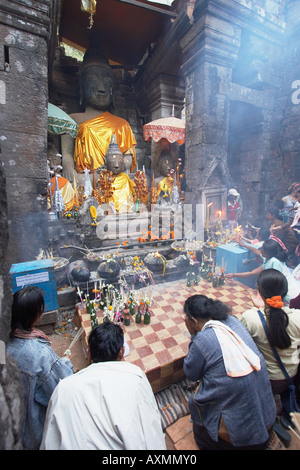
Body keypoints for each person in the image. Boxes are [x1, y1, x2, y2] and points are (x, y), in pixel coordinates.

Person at [40, 322, 166, 450]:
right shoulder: (136, 377)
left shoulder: (63, 389)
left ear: (88, 353)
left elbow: (48, 441)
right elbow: (152, 433)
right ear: (122, 352)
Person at [183, 294, 276, 450]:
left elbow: (191, 373)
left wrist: (193, 335)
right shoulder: (233, 321)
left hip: (243, 440)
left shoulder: (203, 338)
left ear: (193, 321)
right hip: (268, 418)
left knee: (199, 424)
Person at [61, 35, 136, 185]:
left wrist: (117, 165)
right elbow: (67, 155)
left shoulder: (122, 124)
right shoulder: (72, 119)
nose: (101, 88)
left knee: (134, 180)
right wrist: (68, 166)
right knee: (72, 182)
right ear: (82, 86)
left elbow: (128, 157)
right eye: (93, 80)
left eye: (107, 82)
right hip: (86, 177)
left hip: (114, 176)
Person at [6, 286, 74, 450]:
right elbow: (60, 387)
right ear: (36, 314)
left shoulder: (5, 343)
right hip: (33, 430)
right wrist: (65, 362)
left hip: (11, 420)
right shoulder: (40, 353)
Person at [241, 269, 300, 415]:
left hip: (268, 380)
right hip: (292, 375)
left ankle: (269, 404)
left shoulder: (251, 317)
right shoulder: (298, 316)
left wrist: (257, 308)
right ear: (285, 292)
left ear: (258, 290)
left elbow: (241, 345)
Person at [226, 238, 300, 308]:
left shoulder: (274, 262)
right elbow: (255, 252)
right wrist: (244, 245)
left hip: (291, 293)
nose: (261, 251)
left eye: (263, 249)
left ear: (268, 252)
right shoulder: (268, 258)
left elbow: (275, 285)